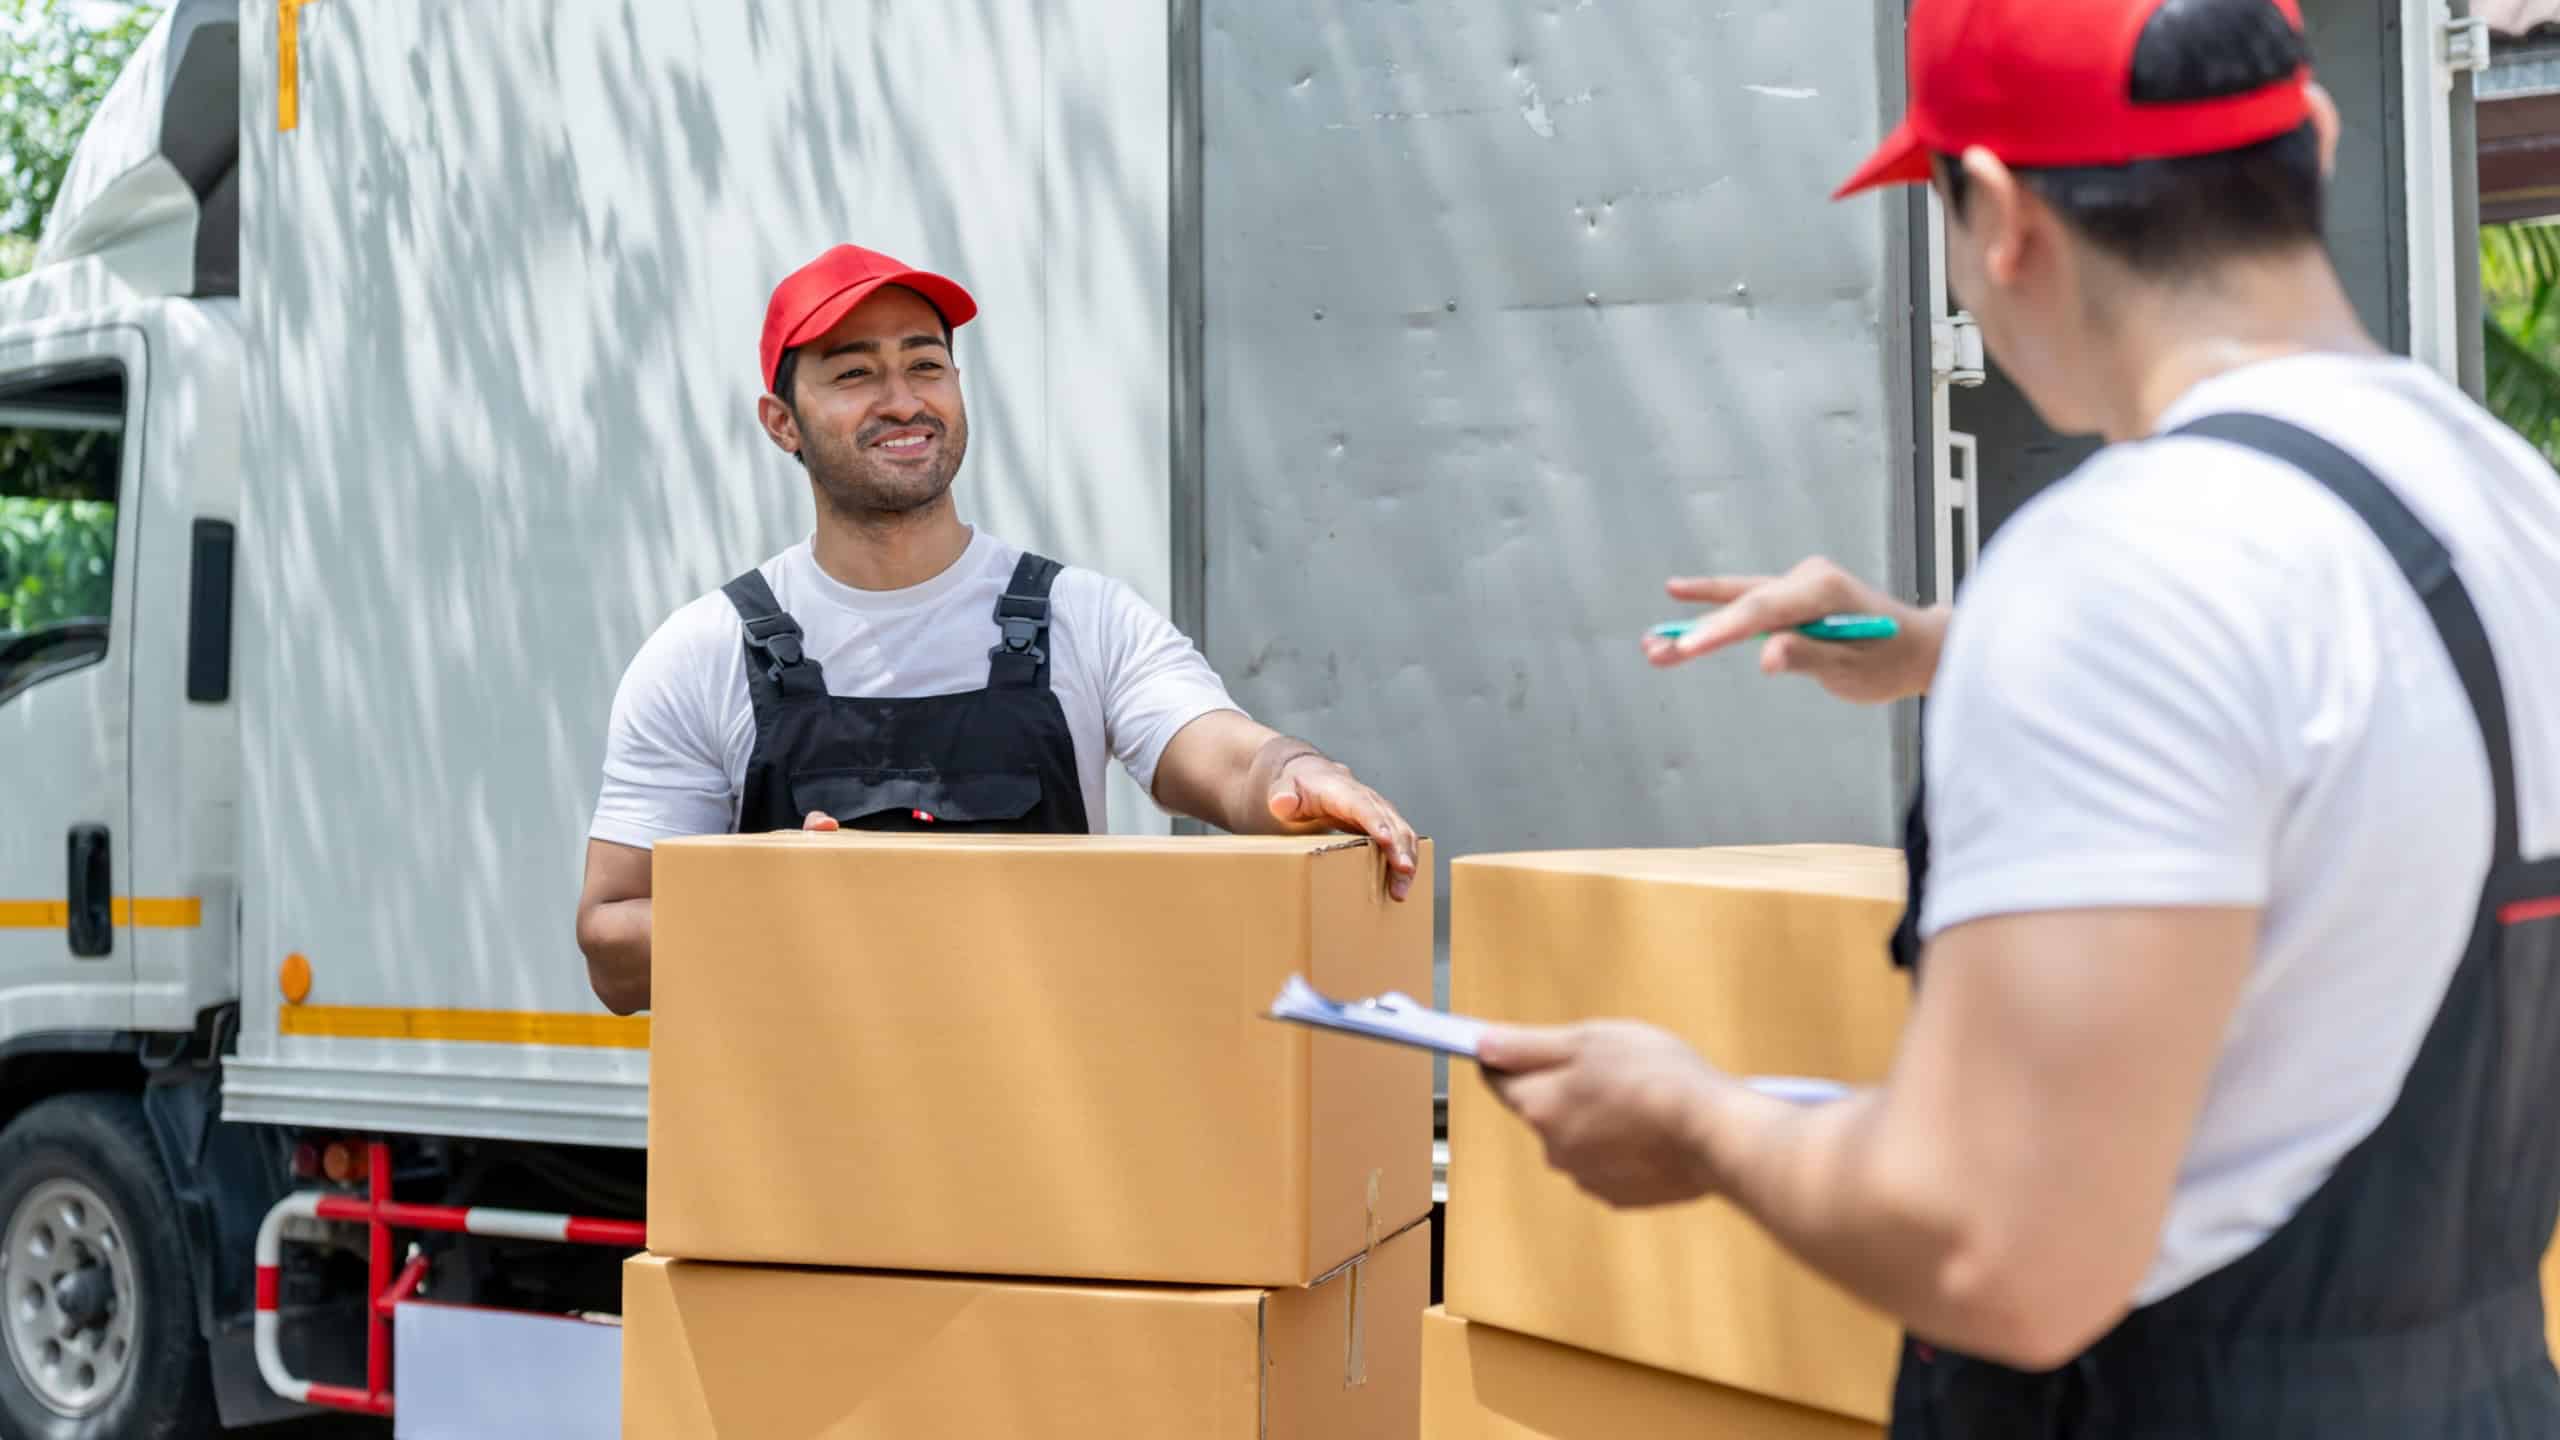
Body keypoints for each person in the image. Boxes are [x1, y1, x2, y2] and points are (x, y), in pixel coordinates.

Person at [1477, 0, 2560, 1432]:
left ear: (1996, 215)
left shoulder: (2116, 571)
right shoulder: (2501, 496)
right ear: (2315, 133)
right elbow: (2349, 712)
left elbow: (2000, 1255)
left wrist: (1696, 1122)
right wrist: (1935, 646)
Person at [575, 243, 1420, 1015]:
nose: (903, 400)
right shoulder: (704, 652)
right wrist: (771, 904)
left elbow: (1229, 761)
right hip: (809, 1155)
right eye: (855, 374)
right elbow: (612, 949)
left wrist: (1301, 771)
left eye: (926, 364)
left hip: (1046, 1145)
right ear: (781, 422)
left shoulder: (1082, 618)